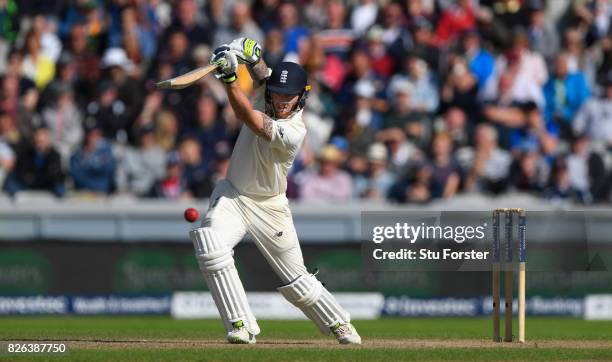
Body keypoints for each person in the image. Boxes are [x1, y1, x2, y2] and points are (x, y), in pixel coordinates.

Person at [187, 38, 361, 345]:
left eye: (288, 96)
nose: (281, 100)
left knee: (298, 284)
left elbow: (249, 119)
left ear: (301, 98)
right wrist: (249, 54)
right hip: (233, 195)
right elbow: (263, 74)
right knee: (210, 246)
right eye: (277, 93)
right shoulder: (265, 94)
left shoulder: (294, 131)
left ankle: (339, 323)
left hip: (270, 206)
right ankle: (240, 324)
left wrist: (229, 80)